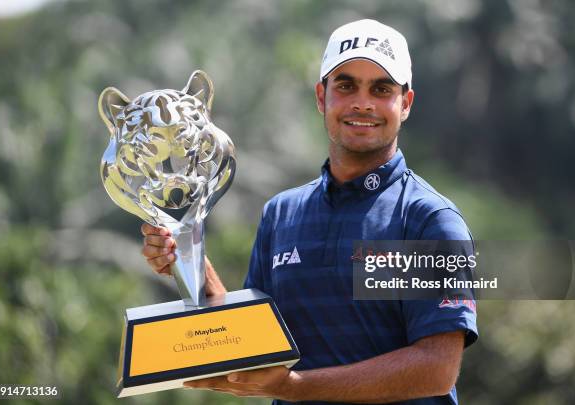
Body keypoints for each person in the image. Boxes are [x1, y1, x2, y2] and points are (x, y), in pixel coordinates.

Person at [141, 19, 477, 404]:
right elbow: (249, 341)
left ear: (406, 104)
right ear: (322, 97)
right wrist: (187, 256)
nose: (362, 102)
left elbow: (436, 367)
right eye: (346, 85)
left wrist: (292, 387)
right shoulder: (281, 215)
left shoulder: (427, 219)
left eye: (381, 89)